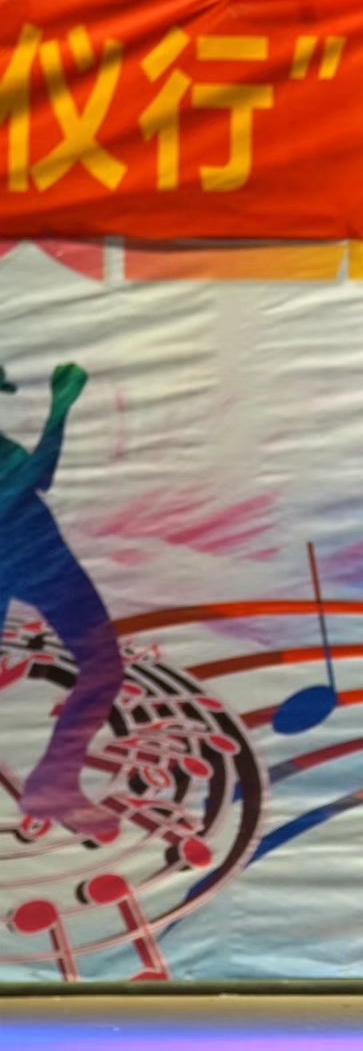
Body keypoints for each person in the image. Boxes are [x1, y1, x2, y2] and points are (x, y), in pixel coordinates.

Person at [1, 361, 126, 842]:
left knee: (103, 666)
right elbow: (36, 478)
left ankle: (55, 781)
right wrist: (60, 409)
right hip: (33, 555)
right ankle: (54, 781)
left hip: (34, 552)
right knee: (102, 665)